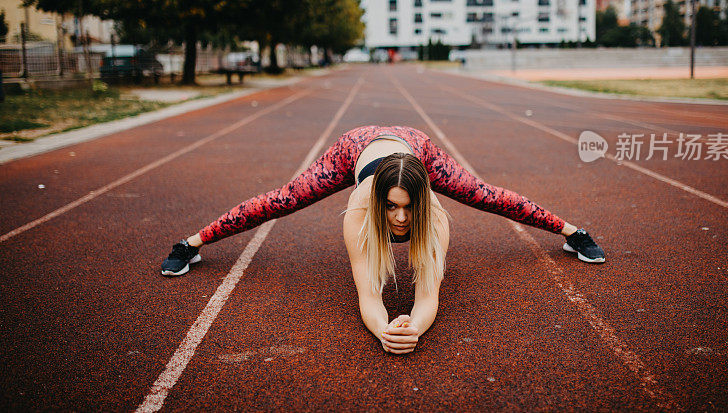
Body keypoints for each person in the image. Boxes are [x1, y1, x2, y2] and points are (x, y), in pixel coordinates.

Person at [161, 125, 605, 354]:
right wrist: (384, 332)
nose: (400, 218)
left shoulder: (435, 217)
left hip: (415, 146)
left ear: (423, 199)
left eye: (409, 207)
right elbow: (368, 294)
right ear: (376, 202)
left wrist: (414, 325)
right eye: (390, 207)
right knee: (283, 200)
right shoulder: (357, 212)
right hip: (356, 148)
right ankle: (191, 243)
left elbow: (428, 294)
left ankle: (574, 232)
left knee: (487, 196)